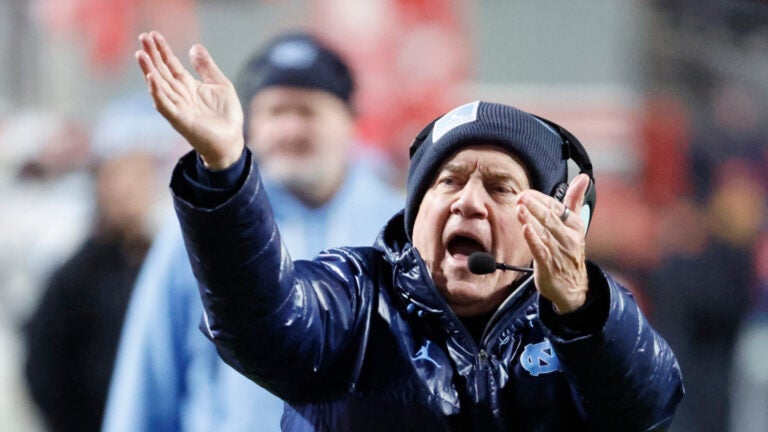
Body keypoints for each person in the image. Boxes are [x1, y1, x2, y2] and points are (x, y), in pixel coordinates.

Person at [135, 30, 684, 431]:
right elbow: (262, 322)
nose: (468, 201)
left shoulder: (579, 318)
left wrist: (580, 309)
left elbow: (647, 405)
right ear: (415, 211)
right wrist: (225, 169)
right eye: (448, 182)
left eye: (498, 187)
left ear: (550, 218)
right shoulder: (355, 295)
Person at [102, 31, 404, 432]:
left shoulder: (401, 229)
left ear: (350, 121)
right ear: (249, 124)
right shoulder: (204, 225)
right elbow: (149, 372)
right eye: (276, 111)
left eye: (308, 111)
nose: (291, 129)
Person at [23, 93, 174, 432]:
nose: (131, 189)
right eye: (122, 175)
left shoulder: (165, 259)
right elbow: (44, 368)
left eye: (141, 174)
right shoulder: (77, 271)